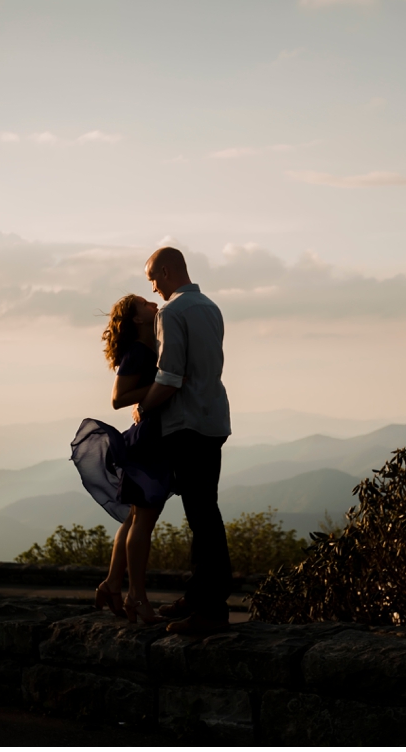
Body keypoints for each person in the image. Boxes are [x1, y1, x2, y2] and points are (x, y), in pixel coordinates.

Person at [135, 246, 234, 634]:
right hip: (213, 419)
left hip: (187, 424)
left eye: (153, 278)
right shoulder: (210, 307)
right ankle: (199, 598)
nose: (154, 287)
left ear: (166, 269)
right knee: (204, 511)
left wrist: (142, 406)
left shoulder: (171, 313)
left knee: (202, 516)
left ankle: (210, 611)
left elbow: (170, 376)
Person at [70, 293, 172, 624]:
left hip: (156, 437)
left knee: (134, 517)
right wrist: (164, 385)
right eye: (145, 304)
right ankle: (137, 599)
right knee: (144, 520)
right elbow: (118, 398)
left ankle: (112, 584)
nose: (153, 304)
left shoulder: (148, 348)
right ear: (138, 319)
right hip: (150, 443)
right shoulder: (138, 352)